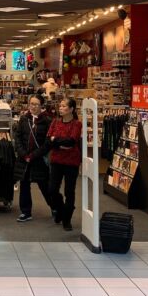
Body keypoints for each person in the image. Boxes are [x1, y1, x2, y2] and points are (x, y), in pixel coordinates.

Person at [13, 94, 53, 222]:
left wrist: (34, 155)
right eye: (31, 104)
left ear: (41, 106)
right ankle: (25, 212)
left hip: (38, 158)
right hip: (24, 158)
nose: (33, 107)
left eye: (36, 104)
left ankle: (55, 207)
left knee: (44, 185)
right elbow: (18, 137)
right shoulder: (24, 119)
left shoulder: (47, 121)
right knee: (24, 184)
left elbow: (47, 144)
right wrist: (23, 153)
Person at [48, 97, 82, 231]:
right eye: (60, 106)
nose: (60, 108)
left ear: (71, 109)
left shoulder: (76, 124)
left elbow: (71, 142)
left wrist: (56, 140)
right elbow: (49, 139)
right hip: (56, 160)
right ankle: (61, 211)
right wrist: (58, 143)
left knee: (69, 191)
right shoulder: (55, 122)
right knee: (52, 190)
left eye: (63, 106)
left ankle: (66, 219)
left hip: (71, 162)